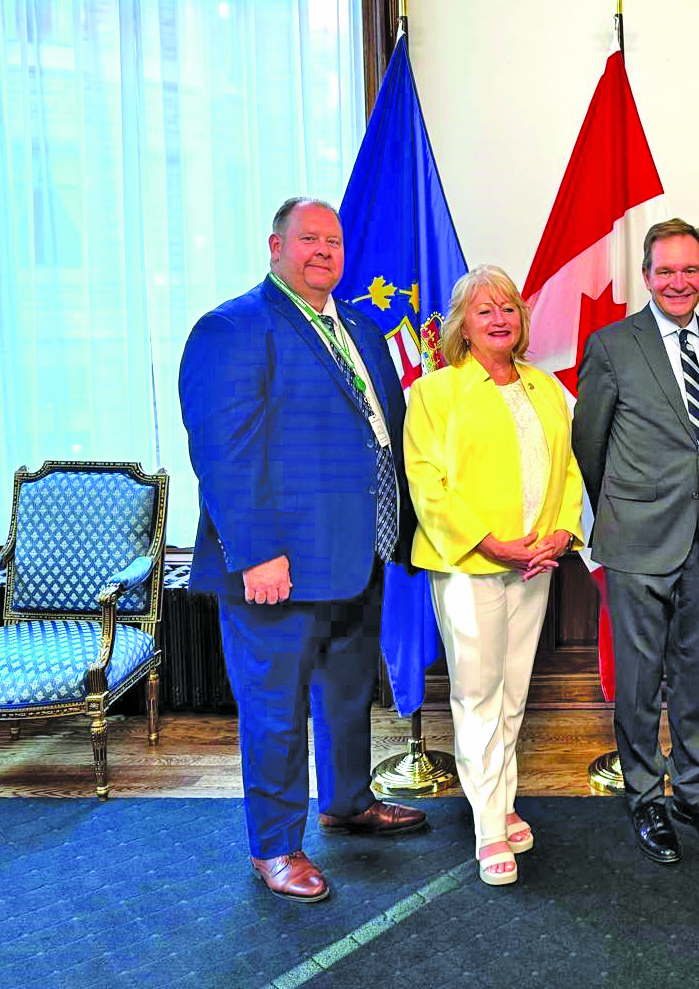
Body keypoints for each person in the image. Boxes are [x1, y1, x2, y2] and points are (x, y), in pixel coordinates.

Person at [179, 197, 428, 904]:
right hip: (278, 565)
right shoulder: (234, 327)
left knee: (348, 695)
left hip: (358, 554)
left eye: (334, 239)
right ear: (275, 245)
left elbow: (381, 433)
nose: (325, 249)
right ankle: (276, 847)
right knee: (276, 711)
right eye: (309, 238)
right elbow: (224, 453)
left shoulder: (357, 326)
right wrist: (255, 553)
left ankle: (347, 801)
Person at [571, 218, 699, 864]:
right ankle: (645, 796)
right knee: (641, 680)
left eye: (690, 269)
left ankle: (693, 792)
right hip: (638, 538)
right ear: (646, 275)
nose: (679, 281)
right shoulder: (612, 344)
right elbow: (588, 442)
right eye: (666, 270)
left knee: (697, 678)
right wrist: (625, 507)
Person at [403, 265, 584, 886]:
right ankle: (486, 830)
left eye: (508, 307)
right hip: (467, 565)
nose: (499, 318)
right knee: (476, 696)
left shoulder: (545, 389)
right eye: (484, 310)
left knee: (511, 695)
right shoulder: (436, 392)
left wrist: (560, 533)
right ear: (462, 325)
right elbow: (427, 486)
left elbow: (568, 471)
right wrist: (491, 543)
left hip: (536, 563)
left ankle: (501, 803)